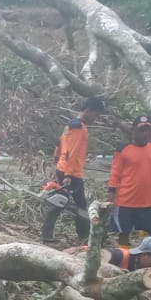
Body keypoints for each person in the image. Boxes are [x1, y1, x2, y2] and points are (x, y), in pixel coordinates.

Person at [40, 96, 106, 244]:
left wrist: (57, 160)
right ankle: (83, 237)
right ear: (88, 111)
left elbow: (60, 143)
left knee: (61, 202)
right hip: (71, 172)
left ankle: (50, 235)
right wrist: (68, 174)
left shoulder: (71, 124)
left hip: (64, 169)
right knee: (78, 205)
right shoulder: (79, 128)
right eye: (96, 115)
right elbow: (72, 151)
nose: (96, 118)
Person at [107, 116, 151, 242]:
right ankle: (123, 259)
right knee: (123, 234)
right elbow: (115, 174)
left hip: (147, 202)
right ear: (134, 130)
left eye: (148, 130)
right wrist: (110, 199)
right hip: (125, 202)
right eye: (142, 130)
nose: (145, 134)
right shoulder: (123, 149)